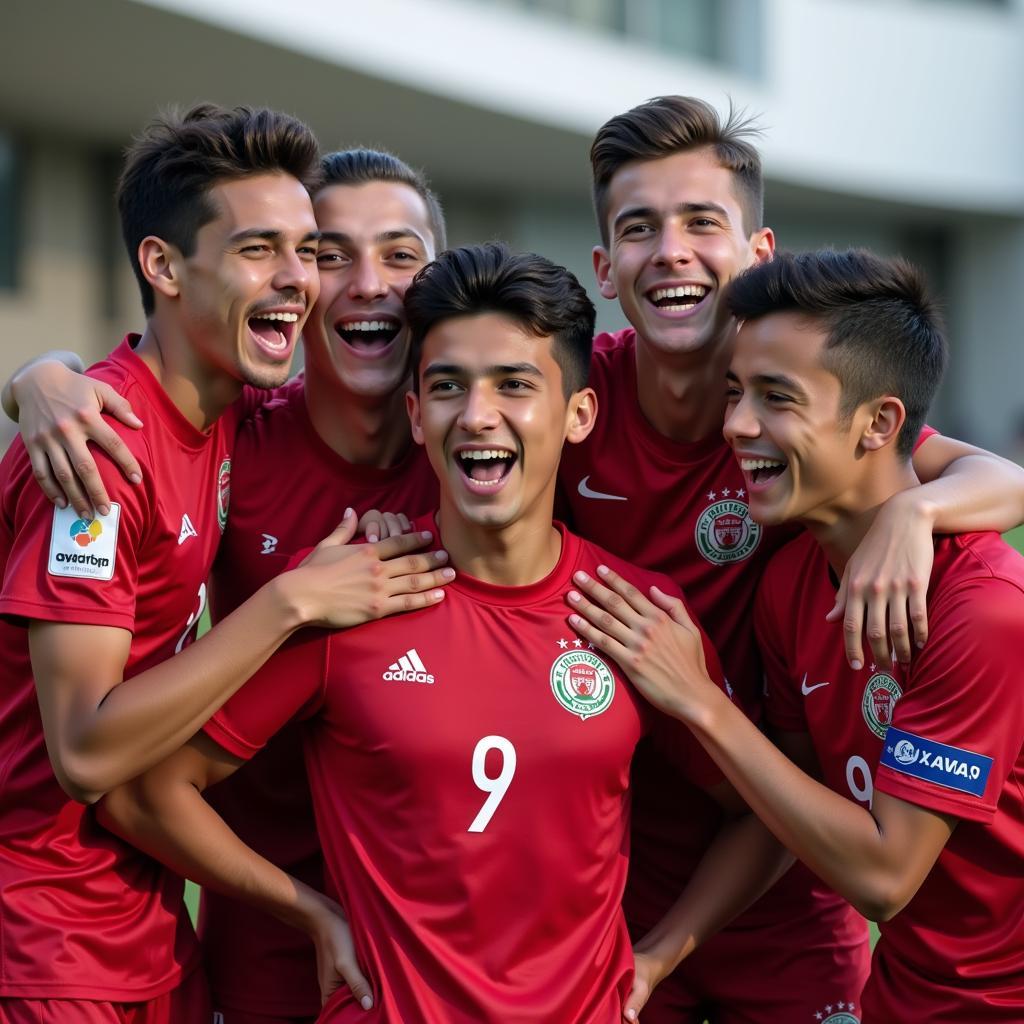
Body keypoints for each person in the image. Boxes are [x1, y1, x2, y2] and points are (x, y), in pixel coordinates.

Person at [99, 244, 790, 1024]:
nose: (477, 414)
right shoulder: (351, 596)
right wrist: (309, 910)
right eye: (448, 386)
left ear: (579, 414)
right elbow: (144, 792)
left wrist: (662, 953)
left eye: (515, 385)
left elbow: (766, 814)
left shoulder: (636, 610)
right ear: (416, 416)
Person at [556, 95, 1024, 1022]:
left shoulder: (825, 412)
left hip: (803, 895)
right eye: (640, 227)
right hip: (618, 877)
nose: (673, 250)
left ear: (755, 252)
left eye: (702, 221)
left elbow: (992, 476)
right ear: (605, 267)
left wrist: (915, 513)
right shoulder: (576, 401)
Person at [0, 107, 450, 1022]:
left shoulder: (231, 415)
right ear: (164, 267)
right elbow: (83, 753)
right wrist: (291, 603)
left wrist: (33, 373)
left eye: (301, 250)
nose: (300, 281)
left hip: (150, 929)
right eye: (262, 251)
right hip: (46, 937)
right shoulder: (99, 452)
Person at [201, 148, 444, 1024]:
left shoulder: (492, 455)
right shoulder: (235, 435)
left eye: (401, 255)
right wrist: (40, 381)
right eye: (332, 255)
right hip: (263, 912)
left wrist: (909, 503)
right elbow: (123, 394)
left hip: (436, 926)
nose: (368, 284)